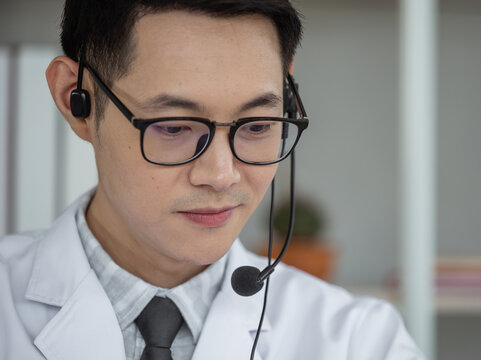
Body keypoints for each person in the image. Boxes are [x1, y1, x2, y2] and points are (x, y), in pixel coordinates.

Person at [0, 1, 426, 359]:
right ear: (76, 98)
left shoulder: (361, 342)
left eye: (258, 125)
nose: (221, 176)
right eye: (173, 127)